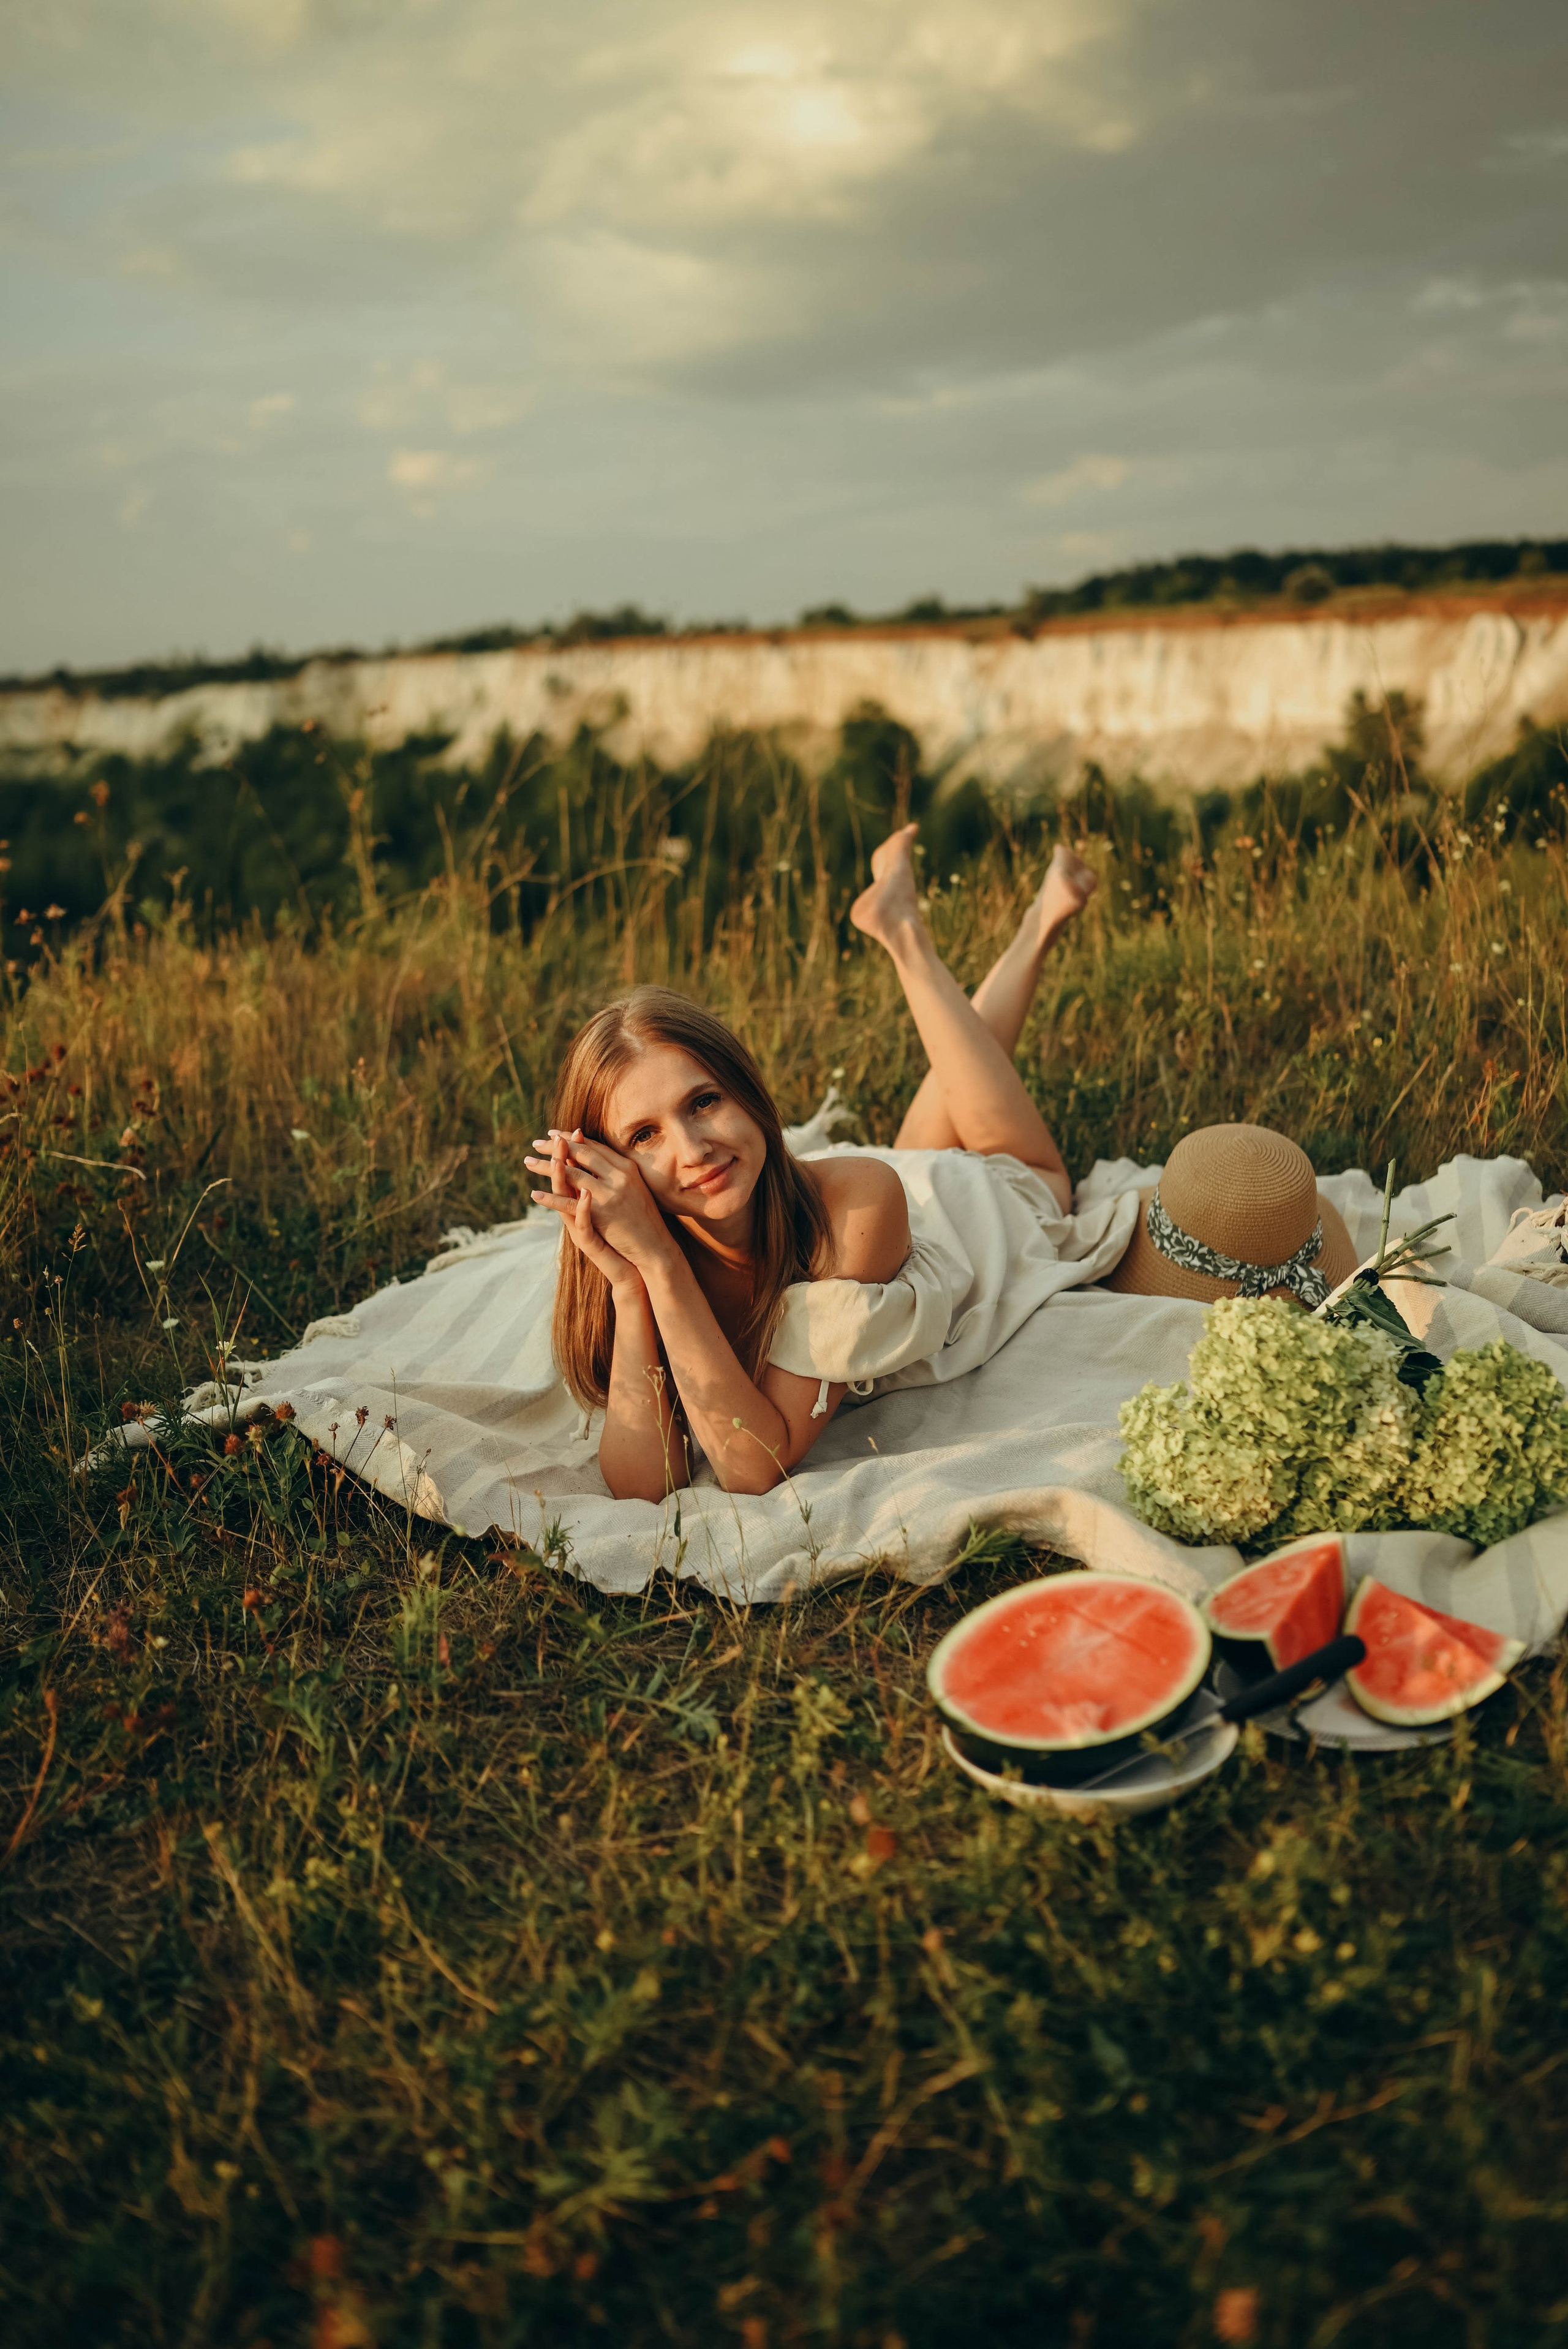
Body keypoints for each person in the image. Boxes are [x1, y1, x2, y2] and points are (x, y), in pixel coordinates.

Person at [526, 826, 1106, 1501]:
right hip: (882, 1182)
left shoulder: (854, 1207)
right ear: (607, 1165)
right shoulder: (647, 1251)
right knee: (958, 1075)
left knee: (1039, 1175)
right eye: (644, 1136)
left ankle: (919, 936)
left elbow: (753, 1464)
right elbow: (642, 1483)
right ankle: (1019, 917)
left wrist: (659, 1263)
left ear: (748, 1090)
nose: (692, 1150)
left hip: (964, 1208)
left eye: (705, 1101)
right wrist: (633, 1280)